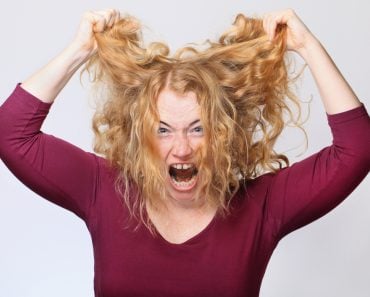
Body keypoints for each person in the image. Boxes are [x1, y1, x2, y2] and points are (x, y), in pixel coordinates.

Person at [0, 8, 369, 297]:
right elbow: (11, 133)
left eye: (198, 129)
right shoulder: (105, 189)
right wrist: (80, 50)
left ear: (223, 133)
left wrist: (307, 46)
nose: (182, 148)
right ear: (140, 135)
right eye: (163, 130)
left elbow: (358, 149)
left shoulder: (262, 207)